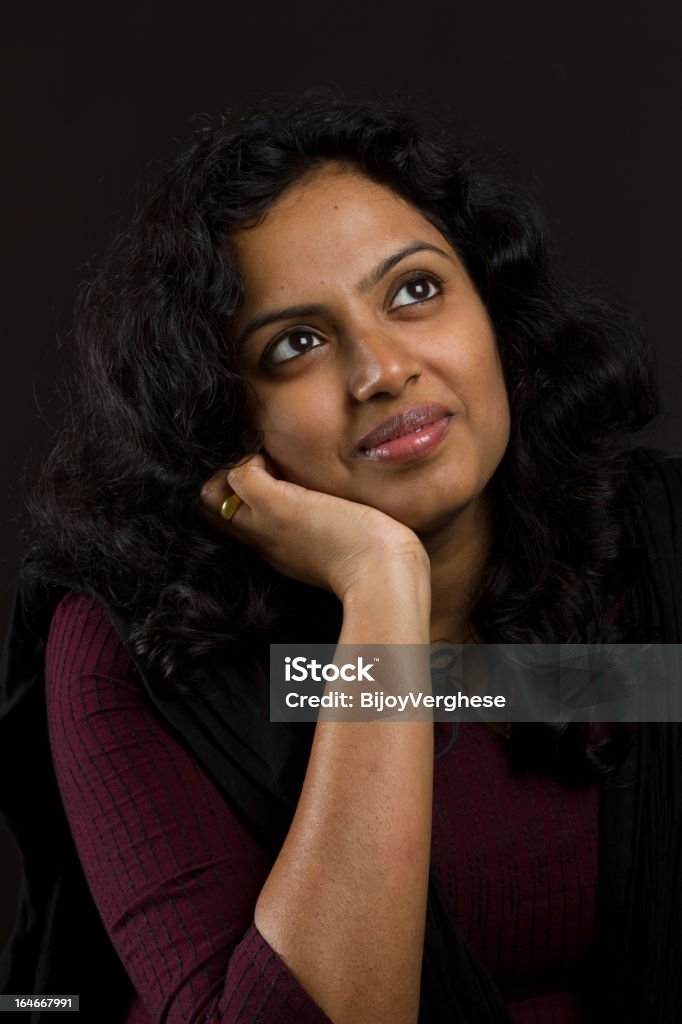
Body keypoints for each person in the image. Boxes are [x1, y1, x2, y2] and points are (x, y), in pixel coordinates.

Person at [1, 94, 681, 1024]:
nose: (381, 370)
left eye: (414, 290)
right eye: (297, 344)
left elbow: (615, 691)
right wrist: (380, 585)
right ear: (225, 415)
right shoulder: (137, 655)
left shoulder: (656, 545)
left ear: (494, 311)